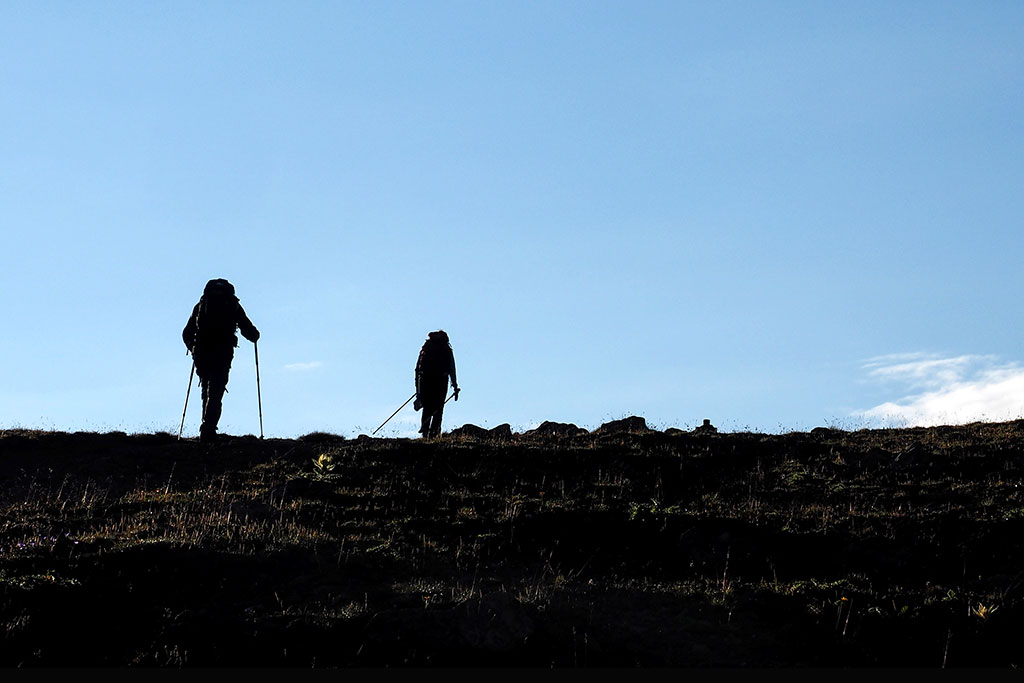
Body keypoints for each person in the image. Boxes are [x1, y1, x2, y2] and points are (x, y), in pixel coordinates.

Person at [181, 278, 260, 443]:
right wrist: (254, 335)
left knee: (206, 388)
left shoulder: (201, 305)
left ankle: (206, 428)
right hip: (223, 352)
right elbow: (248, 329)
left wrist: (193, 347)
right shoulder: (233, 305)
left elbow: (187, 332)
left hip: (202, 352)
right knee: (216, 391)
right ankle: (208, 429)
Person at [414, 330, 459, 438]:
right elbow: (452, 368)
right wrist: (455, 385)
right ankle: (434, 433)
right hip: (441, 381)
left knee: (427, 407)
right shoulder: (446, 348)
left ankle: (425, 432)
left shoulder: (426, 347)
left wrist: (418, 388)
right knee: (438, 408)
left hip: (426, 380)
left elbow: (418, 367)